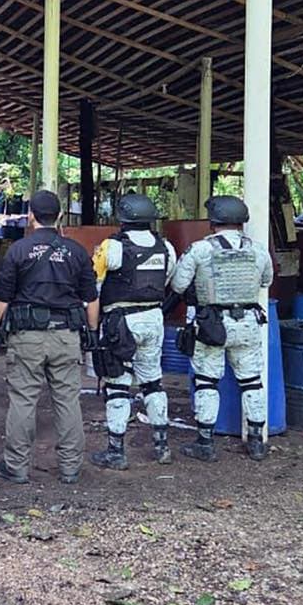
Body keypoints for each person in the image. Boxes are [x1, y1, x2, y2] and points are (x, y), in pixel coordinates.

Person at [0, 189, 99, 485]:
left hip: (27, 336)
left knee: (24, 400)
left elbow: (2, 296)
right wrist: (91, 333)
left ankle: (16, 466)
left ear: (30, 217)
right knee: (67, 401)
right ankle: (70, 468)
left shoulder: (17, 250)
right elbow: (91, 298)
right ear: (60, 216)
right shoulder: (76, 252)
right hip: (66, 335)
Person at [171, 195, 275, 462]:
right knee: (252, 382)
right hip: (249, 323)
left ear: (213, 221)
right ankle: (256, 442)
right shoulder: (259, 249)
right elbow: (267, 280)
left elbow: (179, 285)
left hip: (212, 325)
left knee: (207, 381)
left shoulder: (200, 249)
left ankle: (205, 443)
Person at [89, 192, 178, 470]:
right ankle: (162, 445)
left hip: (121, 321)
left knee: (118, 383)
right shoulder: (166, 247)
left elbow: (95, 284)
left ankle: (116, 450)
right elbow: (168, 279)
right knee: (153, 381)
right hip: (153, 318)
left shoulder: (112, 247)